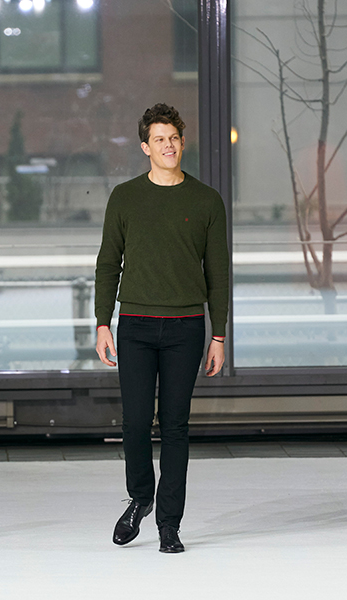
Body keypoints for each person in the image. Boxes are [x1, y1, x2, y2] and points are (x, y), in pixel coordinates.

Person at [95, 103, 229, 553]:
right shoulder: (125, 197)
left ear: (182, 142)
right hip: (134, 325)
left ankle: (169, 524)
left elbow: (219, 273)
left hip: (186, 328)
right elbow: (108, 263)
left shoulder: (206, 201)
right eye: (159, 139)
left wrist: (218, 334)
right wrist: (102, 322)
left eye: (173, 138)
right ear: (145, 147)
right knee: (135, 422)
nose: (168, 145)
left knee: (175, 426)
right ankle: (140, 499)